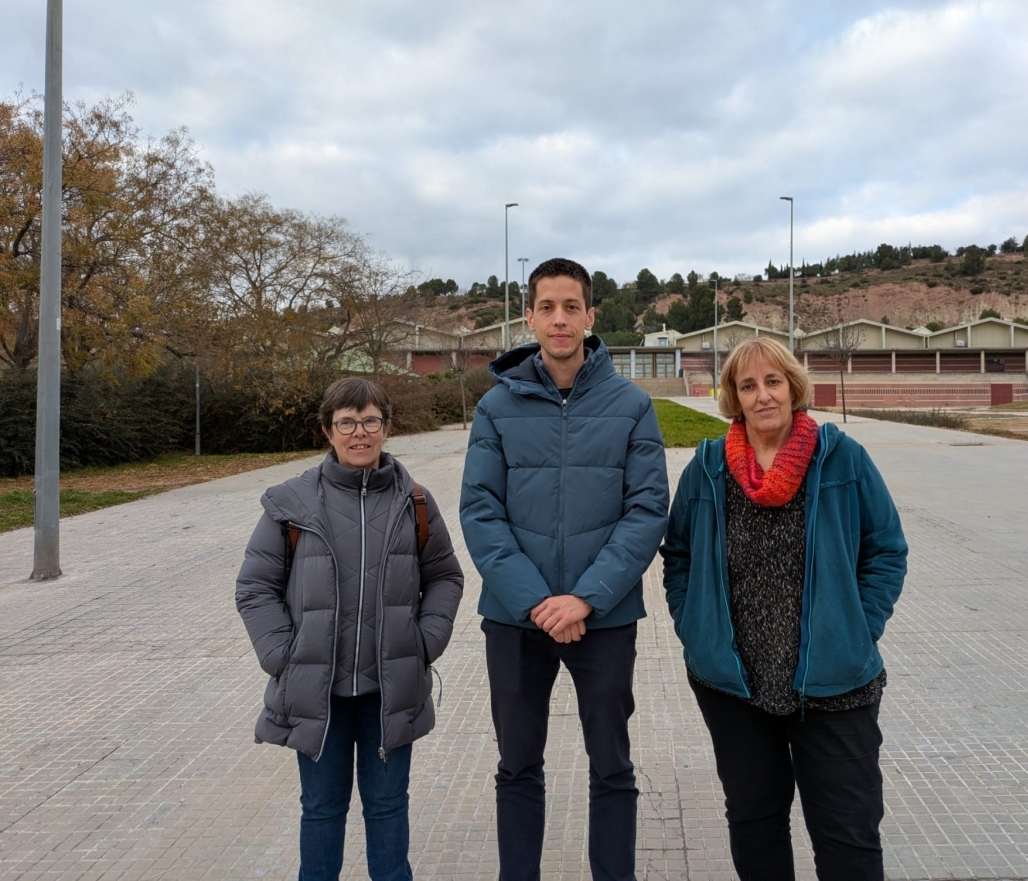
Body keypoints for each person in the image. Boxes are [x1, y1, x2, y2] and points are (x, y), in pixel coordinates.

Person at [660, 337, 907, 881]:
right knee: (755, 824)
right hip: (735, 684)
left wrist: (857, 631)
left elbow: (887, 548)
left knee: (848, 835)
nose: (762, 395)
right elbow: (677, 555)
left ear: (793, 387)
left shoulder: (842, 457)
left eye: (773, 381)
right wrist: (694, 628)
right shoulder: (706, 470)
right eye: (748, 385)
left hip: (835, 683)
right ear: (732, 397)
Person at [459, 257, 669, 881]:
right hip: (515, 620)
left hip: (602, 620)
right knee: (518, 765)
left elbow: (646, 510)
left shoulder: (632, 404)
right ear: (528, 317)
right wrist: (535, 602)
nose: (558, 319)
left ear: (590, 316)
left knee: (611, 765)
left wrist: (584, 599)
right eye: (546, 307)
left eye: (570, 307)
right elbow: (480, 512)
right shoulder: (496, 408)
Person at [235, 377, 464, 881]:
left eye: (369, 421)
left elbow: (445, 575)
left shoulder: (416, 502)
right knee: (321, 810)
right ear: (327, 429)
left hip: (389, 690)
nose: (358, 433)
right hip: (320, 694)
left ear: (386, 426)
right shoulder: (290, 504)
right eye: (346, 422)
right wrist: (283, 656)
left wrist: (424, 643)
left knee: (387, 809)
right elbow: (255, 588)